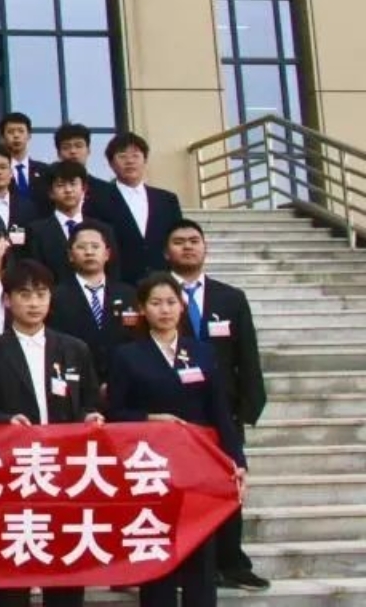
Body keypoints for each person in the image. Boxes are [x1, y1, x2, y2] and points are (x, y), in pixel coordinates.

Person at [0, 260, 102, 607]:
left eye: (41, 294)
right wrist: (5, 421)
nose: (34, 302)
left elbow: (89, 402)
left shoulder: (74, 349)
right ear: (7, 300)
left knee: (65, 563)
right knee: (14, 567)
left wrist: (90, 416)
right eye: (24, 294)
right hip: (14, 472)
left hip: (65, 472)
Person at [106, 273, 249, 607]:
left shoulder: (201, 352)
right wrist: (150, 419)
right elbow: (115, 412)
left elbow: (220, 412)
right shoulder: (127, 355)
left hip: (197, 465)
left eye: (171, 302)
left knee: (200, 552)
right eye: (156, 303)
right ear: (142, 309)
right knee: (158, 550)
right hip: (151, 467)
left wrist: (237, 461)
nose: (165, 310)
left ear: (182, 306)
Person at [165, 219, 268, 592]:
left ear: (205, 247)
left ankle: (231, 562)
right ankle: (181, 563)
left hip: (222, 412)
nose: (187, 247)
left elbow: (247, 354)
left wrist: (249, 405)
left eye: (194, 240)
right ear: (166, 252)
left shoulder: (230, 297)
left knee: (227, 485)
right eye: (179, 241)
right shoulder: (156, 295)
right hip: (173, 414)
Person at [85, 132, 184, 283]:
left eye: (135, 156)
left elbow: (177, 239)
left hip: (162, 281)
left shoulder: (167, 200)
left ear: (145, 160)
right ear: (111, 164)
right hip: (119, 282)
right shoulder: (97, 200)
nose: (130, 161)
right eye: (122, 156)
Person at [47, 223, 135, 381]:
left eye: (95, 246)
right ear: (70, 255)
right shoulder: (56, 296)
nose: (89, 252)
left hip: (123, 378)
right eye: (81, 247)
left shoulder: (128, 294)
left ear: (107, 254)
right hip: (76, 378)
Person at [25, 160, 118, 282]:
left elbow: (113, 271)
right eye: (61, 185)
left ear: (84, 189)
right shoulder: (36, 231)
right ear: (51, 193)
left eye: (73, 184)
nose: (68, 190)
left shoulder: (103, 229)